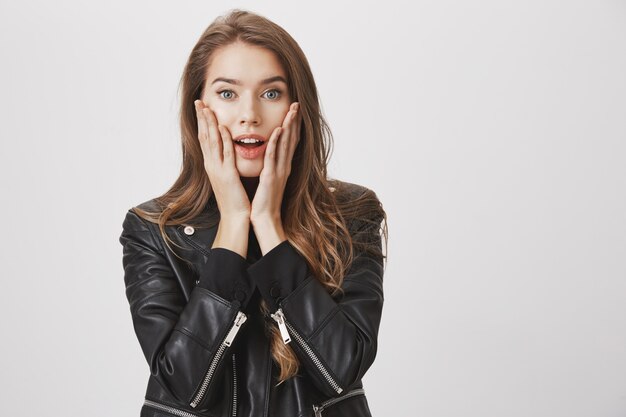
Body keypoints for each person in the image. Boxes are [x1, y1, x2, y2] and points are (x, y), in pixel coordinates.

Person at [119, 8, 388, 417]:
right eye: (227, 93)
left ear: (297, 106)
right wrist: (232, 223)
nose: (250, 115)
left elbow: (341, 371)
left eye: (271, 93)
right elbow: (184, 390)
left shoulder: (353, 214)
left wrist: (268, 225)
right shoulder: (153, 230)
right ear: (199, 108)